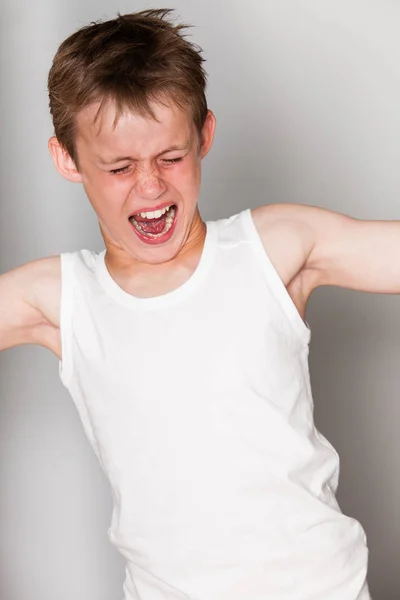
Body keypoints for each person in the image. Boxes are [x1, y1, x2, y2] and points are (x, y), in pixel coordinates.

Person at [4, 7, 399, 599]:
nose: (150, 185)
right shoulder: (62, 298)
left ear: (204, 135)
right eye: (119, 166)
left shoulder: (275, 247)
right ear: (68, 159)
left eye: (170, 156)